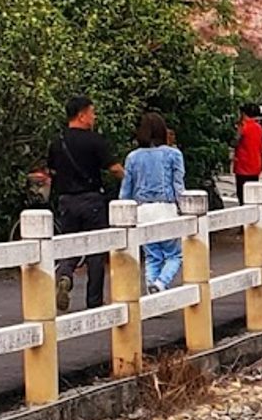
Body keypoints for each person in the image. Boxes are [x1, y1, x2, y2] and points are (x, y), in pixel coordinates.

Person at [48, 96, 123, 313]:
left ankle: (65, 274)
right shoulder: (94, 141)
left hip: (66, 200)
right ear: (82, 115)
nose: (94, 116)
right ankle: (94, 301)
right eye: (92, 112)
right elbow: (114, 168)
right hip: (91, 200)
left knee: (70, 245)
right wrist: (128, 179)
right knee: (96, 252)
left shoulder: (57, 141)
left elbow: (52, 170)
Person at [120, 113, 186, 294]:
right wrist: (184, 208)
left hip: (143, 211)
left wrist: (122, 211)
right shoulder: (173, 154)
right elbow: (178, 185)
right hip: (166, 208)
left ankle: (152, 290)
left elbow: (126, 189)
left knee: (152, 256)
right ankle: (161, 283)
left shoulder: (132, 157)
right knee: (174, 255)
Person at [234, 104, 262, 205]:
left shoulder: (243, 127)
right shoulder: (258, 127)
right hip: (256, 165)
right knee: (252, 195)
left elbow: (235, 142)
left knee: (242, 196)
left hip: (243, 166)